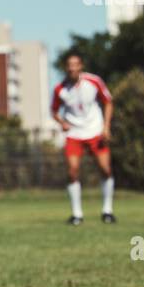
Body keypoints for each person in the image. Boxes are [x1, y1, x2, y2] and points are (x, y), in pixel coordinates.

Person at [50, 52, 116, 225]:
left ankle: (107, 211)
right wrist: (61, 122)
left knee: (105, 169)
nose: (72, 68)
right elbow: (54, 111)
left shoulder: (94, 81)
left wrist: (106, 127)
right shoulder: (60, 89)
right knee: (72, 170)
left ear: (81, 66)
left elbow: (108, 101)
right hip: (74, 133)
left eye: (75, 64)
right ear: (66, 68)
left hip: (95, 130)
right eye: (69, 65)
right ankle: (77, 214)